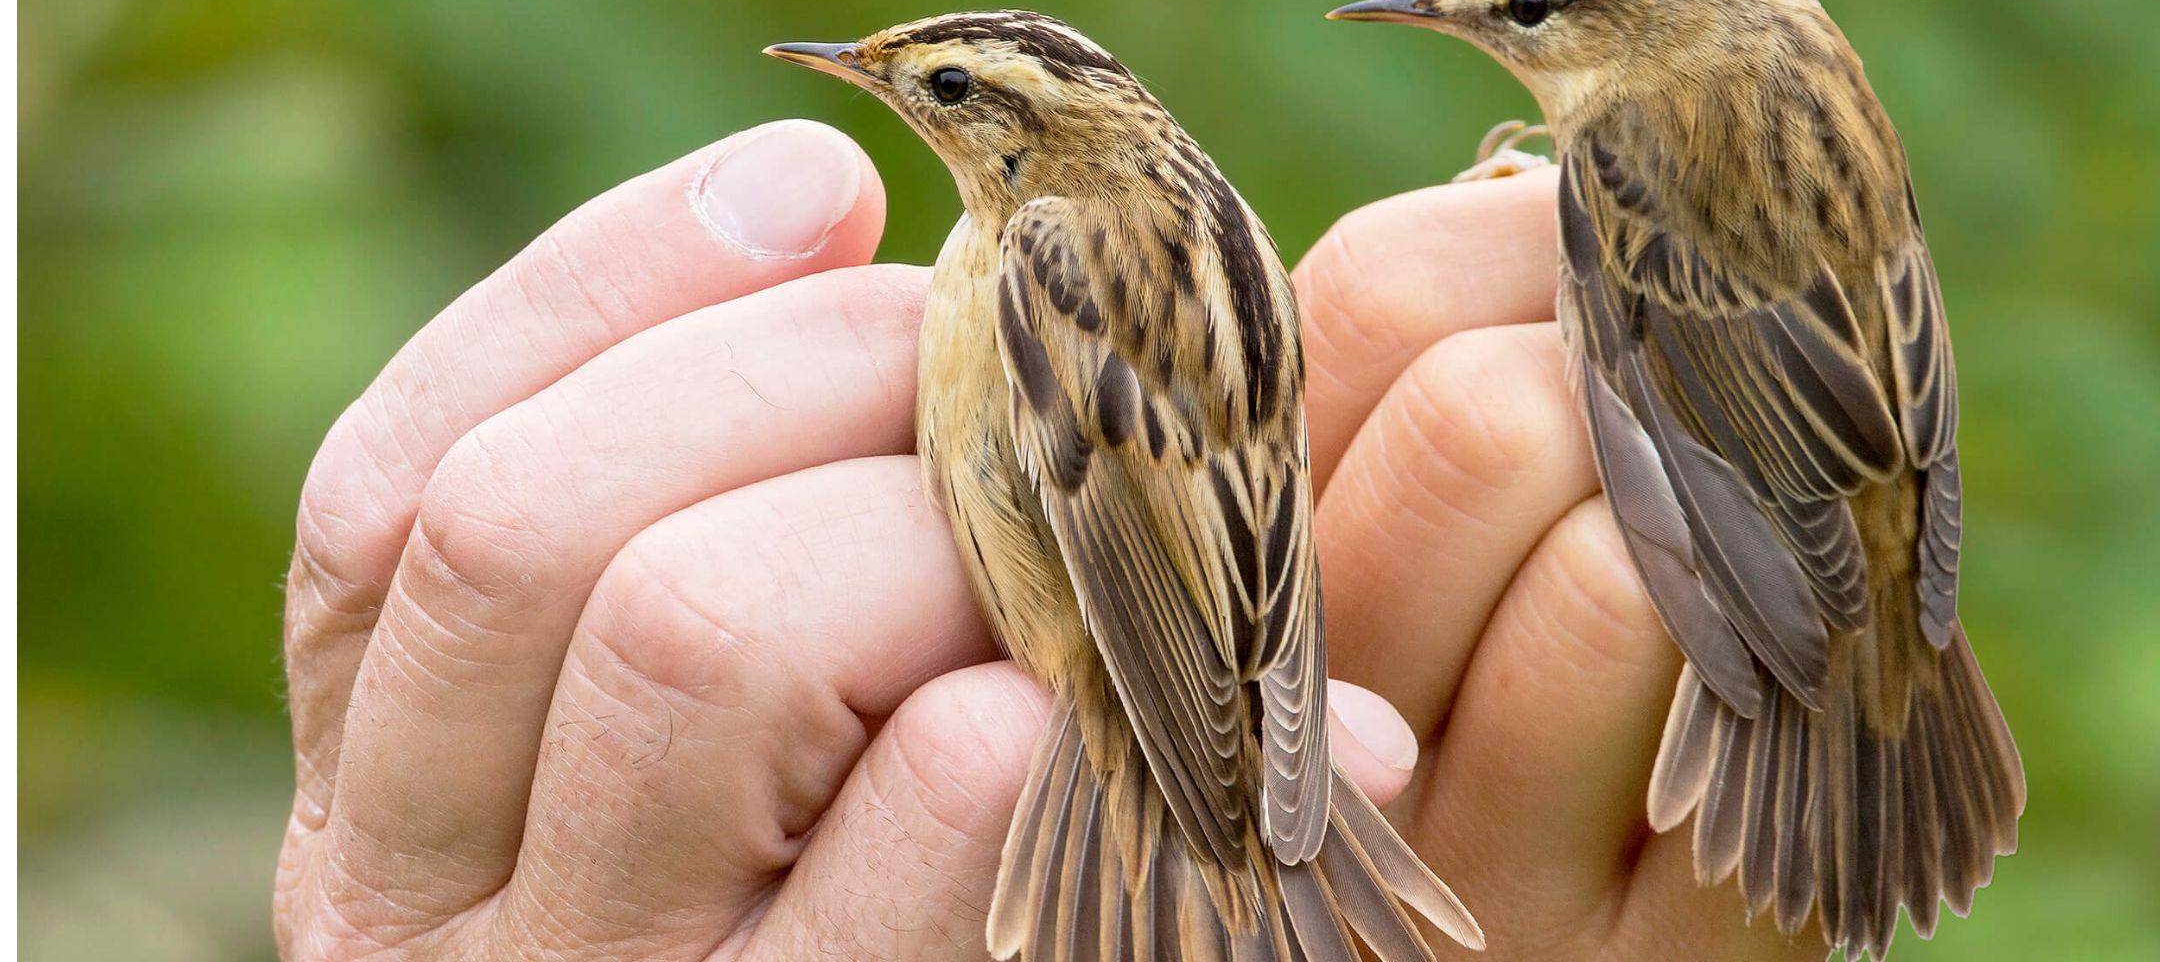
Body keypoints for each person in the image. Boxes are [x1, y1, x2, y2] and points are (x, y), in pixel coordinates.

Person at [273, 118, 1814, 959]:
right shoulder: (1092, 241)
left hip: (1171, 674)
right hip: (1238, 669)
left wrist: (1225, 769)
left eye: (938, 93)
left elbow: (1129, 521)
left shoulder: (1047, 260)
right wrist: (1260, 727)